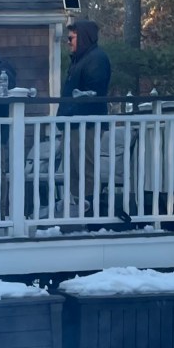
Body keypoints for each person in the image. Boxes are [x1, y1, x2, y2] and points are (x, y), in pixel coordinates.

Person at [57, 20, 112, 212]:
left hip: (87, 124)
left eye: (71, 38)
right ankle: (77, 210)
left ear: (83, 38)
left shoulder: (97, 59)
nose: (68, 42)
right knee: (72, 169)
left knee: (86, 168)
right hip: (73, 123)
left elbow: (93, 94)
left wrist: (70, 111)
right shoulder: (79, 60)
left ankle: (90, 210)